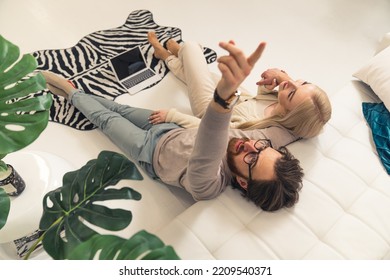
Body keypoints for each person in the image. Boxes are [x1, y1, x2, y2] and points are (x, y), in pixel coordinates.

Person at [42, 39, 304, 212]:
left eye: (252, 159)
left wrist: (223, 97)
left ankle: (71, 93)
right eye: (261, 146)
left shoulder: (209, 185)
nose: (250, 144)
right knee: (118, 109)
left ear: (244, 184)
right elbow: (295, 126)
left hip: (149, 150)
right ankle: (83, 95)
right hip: (170, 128)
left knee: (106, 120)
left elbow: (209, 142)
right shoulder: (262, 141)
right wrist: (284, 79)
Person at [147, 32, 331, 139]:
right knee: (198, 74)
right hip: (235, 96)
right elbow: (262, 99)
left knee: (192, 47)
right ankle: (168, 56)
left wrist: (173, 116)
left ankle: (181, 53)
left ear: (287, 114)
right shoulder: (289, 110)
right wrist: (273, 83)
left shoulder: (256, 128)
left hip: (212, 109)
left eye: (291, 93)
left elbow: (211, 129)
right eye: (303, 83)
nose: (290, 82)